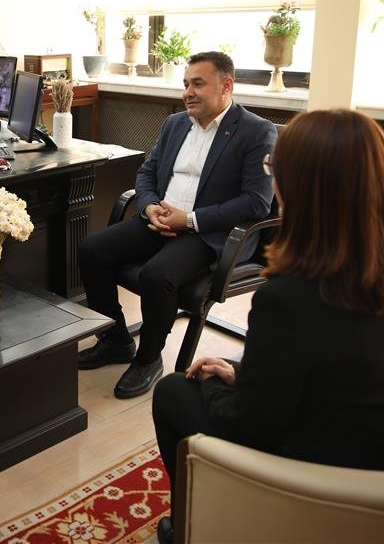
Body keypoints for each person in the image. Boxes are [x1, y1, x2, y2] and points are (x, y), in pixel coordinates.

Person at [150, 109, 384, 544]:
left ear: (304, 187)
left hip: (319, 482)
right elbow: (341, 371)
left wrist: (214, 386)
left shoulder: (287, 298)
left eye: (273, 169)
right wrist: (243, 375)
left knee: (173, 391)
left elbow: (249, 427)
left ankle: (196, 527)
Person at [77, 51, 277, 399]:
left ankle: (149, 358)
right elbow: (147, 172)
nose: (188, 93)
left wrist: (191, 220)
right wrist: (149, 206)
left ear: (226, 86)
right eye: (186, 84)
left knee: (157, 274)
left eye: (198, 84)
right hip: (161, 219)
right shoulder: (175, 123)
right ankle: (115, 340)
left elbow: (257, 202)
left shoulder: (256, 131)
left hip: (210, 234)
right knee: (91, 249)